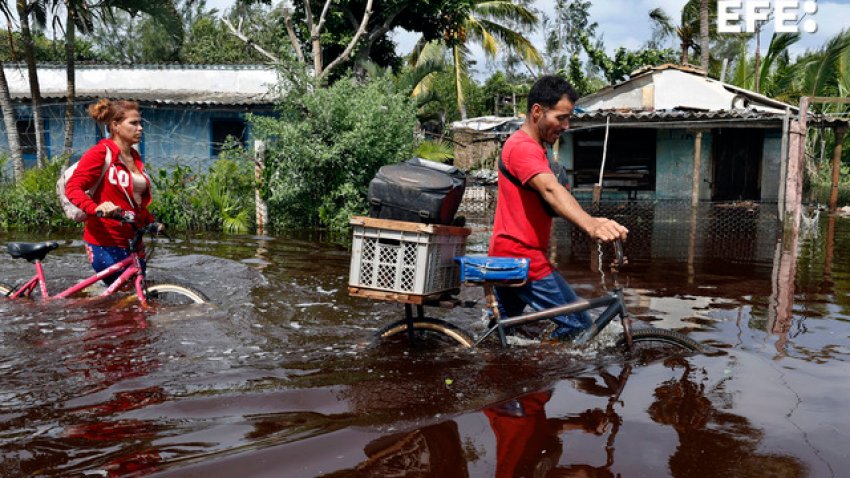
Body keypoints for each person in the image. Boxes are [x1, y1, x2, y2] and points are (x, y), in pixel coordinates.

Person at [489, 75, 628, 340]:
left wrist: (599, 221)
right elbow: (550, 189)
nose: (566, 125)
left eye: (568, 118)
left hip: (508, 255)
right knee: (579, 325)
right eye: (561, 117)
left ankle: (501, 376)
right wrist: (591, 225)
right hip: (522, 259)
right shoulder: (522, 148)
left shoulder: (533, 149)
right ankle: (552, 375)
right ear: (537, 111)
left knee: (502, 334)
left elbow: (554, 196)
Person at [65, 99, 157, 284]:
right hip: (105, 241)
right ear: (115, 126)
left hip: (133, 240)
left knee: (136, 295)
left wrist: (151, 222)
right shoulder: (101, 153)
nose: (140, 128)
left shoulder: (135, 157)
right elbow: (73, 187)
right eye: (133, 123)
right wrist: (96, 208)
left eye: (140, 123)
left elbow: (134, 200)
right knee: (123, 298)